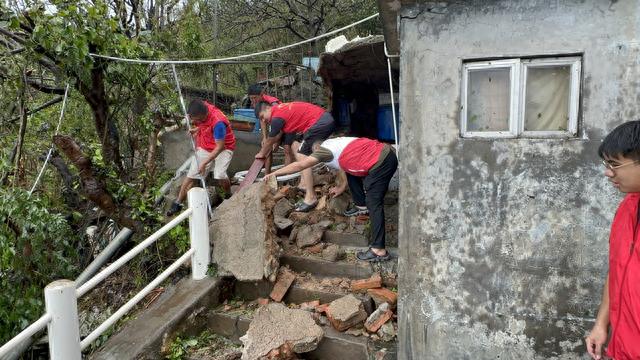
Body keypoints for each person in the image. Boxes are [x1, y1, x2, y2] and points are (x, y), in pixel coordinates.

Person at [263, 137, 397, 262]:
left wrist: (274, 173)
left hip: (381, 162)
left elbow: (300, 166)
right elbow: (348, 166)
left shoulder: (323, 151)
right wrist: (341, 187)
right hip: (386, 154)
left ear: (316, 150)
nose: (316, 158)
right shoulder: (337, 143)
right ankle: (361, 205)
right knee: (352, 174)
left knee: (374, 202)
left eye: (314, 155)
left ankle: (378, 250)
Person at [585, 120, 640, 359]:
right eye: (607, 164)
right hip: (621, 348)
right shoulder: (627, 208)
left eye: (615, 164)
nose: (608, 172)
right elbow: (617, 269)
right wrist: (601, 324)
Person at [255, 101, 335, 212]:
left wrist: (261, 153)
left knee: (303, 155)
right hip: (323, 119)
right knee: (295, 145)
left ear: (268, 108)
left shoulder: (276, 116)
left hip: (320, 122)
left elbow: (270, 140)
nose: (263, 120)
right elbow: (276, 137)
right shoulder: (280, 110)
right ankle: (303, 183)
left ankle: (311, 197)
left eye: (262, 116)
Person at [166, 99, 236, 216]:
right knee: (191, 175)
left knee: (220, 175)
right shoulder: (202, 106)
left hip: (224, 147)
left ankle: (228, 194)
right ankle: (177, 203)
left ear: (203, 115)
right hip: (206, 145)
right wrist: (197, 129)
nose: (193, 121)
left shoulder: (218, 123)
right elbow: (204, 124)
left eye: (196, 119)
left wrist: (204, 163)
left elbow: (219, 147)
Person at [246, 84, 291, 173]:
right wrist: (264, 137)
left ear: (261, 94)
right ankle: (267, 174)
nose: (253, 101)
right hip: (275, 125)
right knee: (267, 145)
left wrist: (277, 141)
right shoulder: (257, 103)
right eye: (251, 98)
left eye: (255, 98)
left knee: (287, 149)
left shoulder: (273, 103)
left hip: (287, 123)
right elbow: (262, 120)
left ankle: (287, 175)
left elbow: (281, 122)